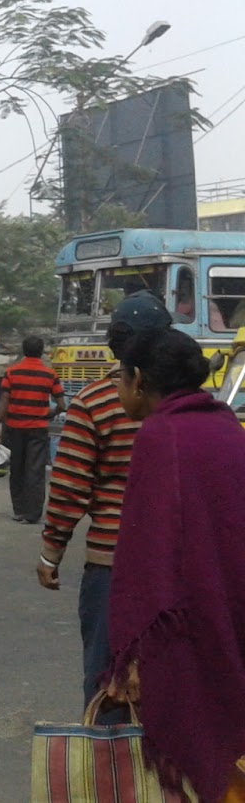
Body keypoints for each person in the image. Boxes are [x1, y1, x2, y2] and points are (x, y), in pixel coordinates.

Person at [104, 328, 245, 802]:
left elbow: (150, 557)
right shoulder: (225, 424)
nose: (118, 387)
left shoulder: (160, 435)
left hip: (187, 627)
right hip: (232, 608)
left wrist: (132, 655)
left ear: (139, 379)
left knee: (193, 743)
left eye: (120, 377)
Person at [36, 290, 171, 709]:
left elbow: (69, 488)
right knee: (171, 681)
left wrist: (50, 554)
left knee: (108, 679)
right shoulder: (187, 405)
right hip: (177, 564)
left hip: (112, 563)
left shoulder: (92, 402)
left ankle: (110, 750)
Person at [0, 337, 66, 524]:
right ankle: (33, 514)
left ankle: (19, 511)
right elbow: (61, 405)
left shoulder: (11, 372)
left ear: (23, 350)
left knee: (17, 469)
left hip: (14, 429)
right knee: (35, 471)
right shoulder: (50, 375)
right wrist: (48, 414)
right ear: (41, 352)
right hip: (38, 430)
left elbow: (3, 402)